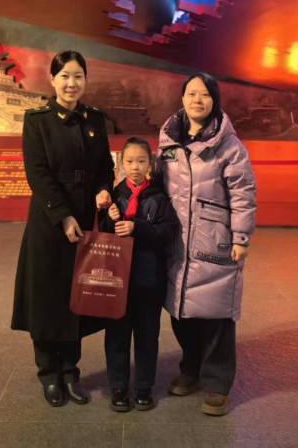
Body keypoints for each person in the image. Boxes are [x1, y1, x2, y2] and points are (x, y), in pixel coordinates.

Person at [11, 50, 114, 407]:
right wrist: (64, 216)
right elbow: (38, 174)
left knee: (76, 297)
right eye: (65, 76)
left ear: (85, 80)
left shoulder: (95, 120)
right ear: (53, 80)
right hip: (49, 222)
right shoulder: (37, 121)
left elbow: (104, 167)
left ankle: (71, 372)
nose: (72, 83)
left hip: (84, 220)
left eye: (78, 76)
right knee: (45, 298)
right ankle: (48, 373)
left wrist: (104, 189)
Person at [157, 72, 256, 416]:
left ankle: (216, 383)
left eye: (204, 95)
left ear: (214, 100)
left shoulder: (229, 146)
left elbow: (243, 193)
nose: (197, 100)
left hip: (214, 240)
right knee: (181, 310)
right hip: (177, 242)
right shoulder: (169, 141)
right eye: (191, 93)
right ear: (182, 98)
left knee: (216, 313)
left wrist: (241, 237)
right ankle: (191, 368)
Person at [100, 137, 179, 412]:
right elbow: (102, 237)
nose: (135, 167)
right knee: (117, 337)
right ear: (121, 163)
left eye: (141, 161)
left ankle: (144, 388)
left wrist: (137, 228)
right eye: (130, 161)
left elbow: (168, 233)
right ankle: (119, 388)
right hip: (117, 282)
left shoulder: (160, 197)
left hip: (149, 280)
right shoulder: (113, 196)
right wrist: (108, 219)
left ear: (150, 164)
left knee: (147, 336)